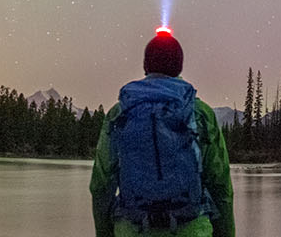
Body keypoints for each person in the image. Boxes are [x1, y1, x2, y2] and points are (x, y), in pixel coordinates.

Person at [90, 28, 234, 237]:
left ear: (145, 66)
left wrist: (106, 233)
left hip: (132, 229)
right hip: (191, 229)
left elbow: (101, 185)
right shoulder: (200, 113)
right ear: (179, 67)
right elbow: (220, 186)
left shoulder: (119, 112)